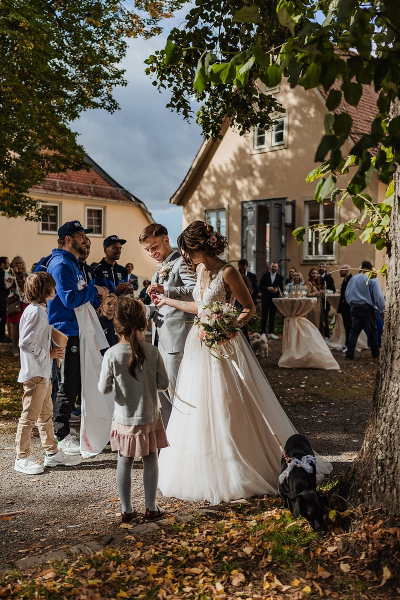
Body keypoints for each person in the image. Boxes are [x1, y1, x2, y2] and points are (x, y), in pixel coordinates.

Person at [152, 221, 332, 504]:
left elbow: (249, 308)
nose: (185, 257)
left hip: (224, 344)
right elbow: (199, 307)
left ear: (200, 248)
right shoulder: (199, 270)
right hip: (199, 343)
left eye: (188, 251)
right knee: (198, 403)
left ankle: (238, 462)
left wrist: (228, 327)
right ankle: (205, 462)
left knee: (227, 401)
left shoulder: (228, 271)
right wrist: (167, 300)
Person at [98, 296, 169, 523]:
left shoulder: (111, 354)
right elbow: (164, 384)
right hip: (149, 415)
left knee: (124, 460)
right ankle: (151, 507)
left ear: (116, 325)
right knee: (150, 459)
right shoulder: (152, 351)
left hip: (124, 418)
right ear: (142, 323)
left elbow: (104, 389)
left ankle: (127, 510)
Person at [46, 220, 108, 453]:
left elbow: (79, 294)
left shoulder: (73, 263)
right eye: (81, 235)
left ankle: (67, 430)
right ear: (68, 239)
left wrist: (94, 299)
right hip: (65, 331)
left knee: (75, 382)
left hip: (76, 330)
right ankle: (60, 435)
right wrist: (94, 290)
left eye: (85, 235)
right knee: (66, 383)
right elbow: (70, 298)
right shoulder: (61, 264)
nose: (85, 240)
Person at [14, 272, 82, 474]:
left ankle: (52, 453)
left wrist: (51, 346)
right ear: (45, 290)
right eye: (52, 286)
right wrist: (48, 352)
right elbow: (25, 342)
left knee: (45, 415)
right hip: (35, 375)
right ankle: (21, 457)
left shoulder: (39, 310)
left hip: (43, 373)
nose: (55, 289)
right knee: (29, 416)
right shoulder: (35, 312)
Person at [139, 223, 196, 428]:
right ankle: (168, 441)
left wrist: (166, 289)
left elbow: (194, 292)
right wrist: (143, 309)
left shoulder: (182, 263)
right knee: (161, 392)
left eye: (154, 247)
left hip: (177, 339)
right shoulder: (157, 272)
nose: (151, 253)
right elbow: (161, 306)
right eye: (147, 250)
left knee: (175, 392)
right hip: (159, 340)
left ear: (166, 240)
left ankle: (181, 436)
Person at [345, 261, 385, 360]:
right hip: (368, 308)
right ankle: (375, 353)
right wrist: (381, 308)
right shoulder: (372, 278)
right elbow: (378, 295)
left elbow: (347, 293)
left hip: (355, 306)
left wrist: (351, 303)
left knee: (354, 331)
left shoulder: (353, 279)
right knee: (373, 331)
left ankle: (349, 353)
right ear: (370, 268)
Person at [5, 256, 29, 356]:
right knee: (15, 325)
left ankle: (23, 345)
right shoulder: (9, 273)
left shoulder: (25, 274)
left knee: (25, 324)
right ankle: (15, 347)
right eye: (17, 263)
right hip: (14, 301)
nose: (19, 265)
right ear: (13, 264)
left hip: (24, 300)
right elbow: (7, 285)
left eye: (20, 263)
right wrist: (14, 275)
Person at [259, 261, 284, 340]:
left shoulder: (280, 277)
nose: (274, 268)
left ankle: (271, 333)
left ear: (277, 268)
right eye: (272, 266)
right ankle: (263, 332)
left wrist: (277, 290)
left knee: (272, 316)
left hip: (274, 299)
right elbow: (260, 286)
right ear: (270, 267)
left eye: (275, 267)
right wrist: (267, 288)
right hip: (265, 298)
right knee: (264, 316)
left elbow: (281, 289)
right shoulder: (265, 275)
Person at [318, 262, 336, 341]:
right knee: (317, 318)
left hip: (325, 301)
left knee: (325, 319)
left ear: (325, 269)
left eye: (323, 267)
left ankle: (326, 336)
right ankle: (318, 336)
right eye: (320, 267)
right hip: (317, 301)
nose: (321, 268)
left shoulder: (329, 278)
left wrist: (325, 291)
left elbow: (333, 290)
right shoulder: (316, 278)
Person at [337, 265, 352, 350]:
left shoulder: (350, 280)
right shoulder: (345, 280)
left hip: (348, 307)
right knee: (346, 326)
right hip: (344, 307)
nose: (339, 272)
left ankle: (349, 346)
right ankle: (346, 344)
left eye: (341, 270)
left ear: (346, 271)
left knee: (349, 326)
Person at [305, 268, 324, 332]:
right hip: (312, 307)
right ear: (310, 274)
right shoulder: (308, 283)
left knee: (318, 323)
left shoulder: (315, 283)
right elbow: (307, 294)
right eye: (313, 273)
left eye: (316, 273)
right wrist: (318, 293)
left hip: (318, 305)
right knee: (314, 323)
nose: (314, 275)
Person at [0, 256, 11, 343]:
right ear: (2, 264)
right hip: (2, 299)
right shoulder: (3, 273)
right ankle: (2, 336)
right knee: (3, 318)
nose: (8, 264)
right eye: (7, 263)